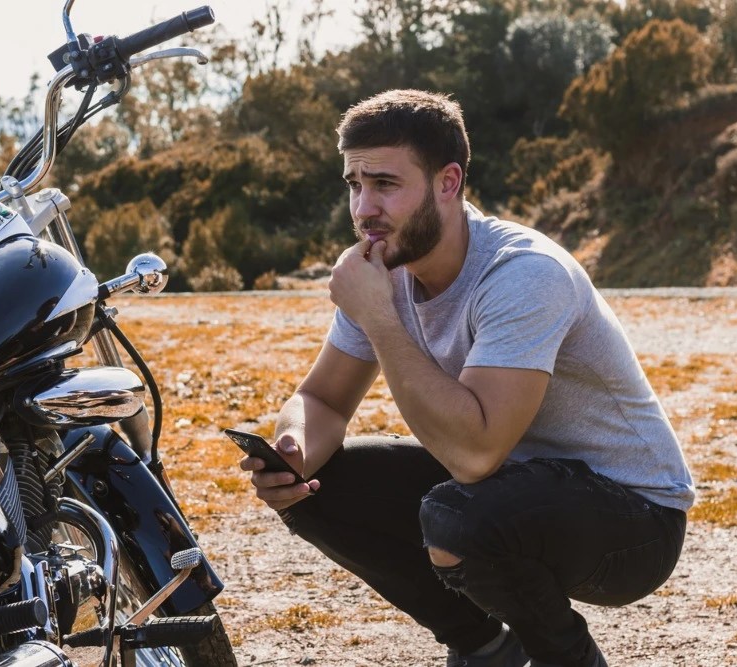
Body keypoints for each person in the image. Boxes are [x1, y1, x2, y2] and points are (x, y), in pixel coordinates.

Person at [238, 89, 693, 667]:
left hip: (633, 520)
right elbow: (321, 399)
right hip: (514, 485)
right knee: (316, 491)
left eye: (385, 184)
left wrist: (379, 316)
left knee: (460, 516)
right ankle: (485, 648)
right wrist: (294, 452)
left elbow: (475, 455)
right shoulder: (387, 268)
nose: (363, 209)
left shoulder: (523, 273)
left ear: (447, 182)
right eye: (354, 184)